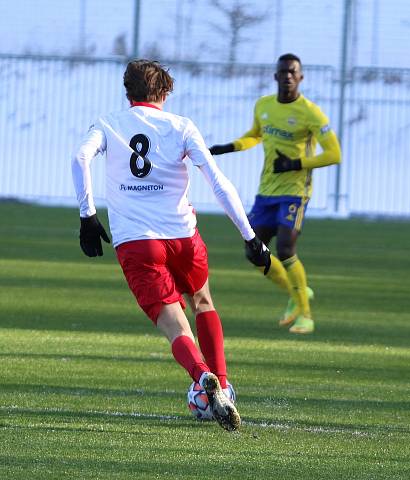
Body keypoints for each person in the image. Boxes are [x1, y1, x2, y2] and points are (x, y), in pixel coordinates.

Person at [71, 59, 271, 431]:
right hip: (183, 237)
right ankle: (222, 385)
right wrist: (251, 236)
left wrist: (88, 215)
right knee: (203, 302)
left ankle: (201, 377)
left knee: (175, 325)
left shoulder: (108, 123)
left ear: (127, 91)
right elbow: (218, 181)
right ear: (164, 92)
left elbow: (80, 157)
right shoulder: (182, 126)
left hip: (138, 243)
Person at [209, 53, 341, 335]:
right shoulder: (264, 105)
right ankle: (297, 292)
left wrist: (296, 164)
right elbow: (256, 135)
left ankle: (306, 315)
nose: (288, 76)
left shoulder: (311, 112)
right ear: (276, 76)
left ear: (301, 77)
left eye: (293, 72)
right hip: (266, 190)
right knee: (253, 250)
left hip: (295, 191)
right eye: (283, 72)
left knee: (285, 249)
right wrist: (229, 147)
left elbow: (334, 153)